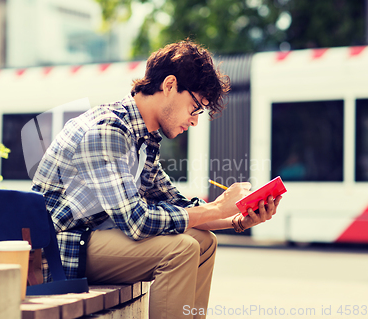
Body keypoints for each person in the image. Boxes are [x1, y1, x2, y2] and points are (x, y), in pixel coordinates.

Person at [32, 40, 282, 319]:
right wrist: (216, 208)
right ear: (169, 85)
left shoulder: (145, 140)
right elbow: (136, 222)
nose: (195, 120)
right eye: (195, 107)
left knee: (204, 241)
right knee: (181, 249)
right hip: (61, 248)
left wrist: (237, 218)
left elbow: (178, 204)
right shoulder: (108, 130)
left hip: (93, 239)